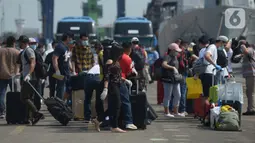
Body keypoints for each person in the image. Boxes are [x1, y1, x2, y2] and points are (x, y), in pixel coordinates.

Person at [71, 33, 100, 123]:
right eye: (84, 39)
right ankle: (85, 115)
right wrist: (73, 71)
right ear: (80, 39)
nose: (85, 41)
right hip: (79, 73)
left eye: (86, 39)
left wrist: (92, 69)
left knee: (89, 96)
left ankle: (94, 115)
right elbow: (73, 60)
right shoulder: (76, 49)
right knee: (82, 94)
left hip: (89, 73)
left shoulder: (89, 49)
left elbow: (93, 61)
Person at [99, 42, 126, 133]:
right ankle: (114, 126)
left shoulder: (116, 61)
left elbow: (116, 75)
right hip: (112, 86)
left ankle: (99, 120)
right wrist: (105, 89)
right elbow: (107, 76)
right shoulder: (110, 61)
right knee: (117, 105)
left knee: (112, 106)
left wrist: (124, 80)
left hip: (117, 84)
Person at [18, 35, 44, 125]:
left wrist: (28, 74)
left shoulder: (28, 50)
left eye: (20, 42)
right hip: (28, 77)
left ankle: (36, 113)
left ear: (23, 42)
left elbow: (33, 63)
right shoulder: (25, 51)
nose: (19, 44)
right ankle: (30, 118)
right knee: (29, 98)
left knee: (24, 97)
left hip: (30, 78)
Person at [161, 43, 184, 117]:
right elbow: (164, 64)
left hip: (175, 79)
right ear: (172, 50)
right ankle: (166, 112)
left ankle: (175, 111)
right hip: (168, 78)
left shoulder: (175, 57)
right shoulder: (167, 56)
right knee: (168, 95)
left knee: (178, 95)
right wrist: (173, 68)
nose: (177, 52)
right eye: (176, 51)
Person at [119, 42, 137, 130]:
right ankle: (128, 122)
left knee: (114, 103)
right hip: (122, 80)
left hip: (112, 81)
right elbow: (129, 72)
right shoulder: (127, 58)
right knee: (126, 101)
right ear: (129, 49)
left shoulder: (118, 56)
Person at [0, 36, 20, 119]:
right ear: (14, 43)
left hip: (2, 75)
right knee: (15, 94)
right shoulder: (17, 52)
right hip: (13, 76)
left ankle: (2, 112)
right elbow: (19, 64)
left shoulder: (1, 51)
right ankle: (15, 110)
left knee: (1, 94)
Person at [235, 40, 255, 115]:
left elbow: (246, 52)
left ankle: (251, 109)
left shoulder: (249, 49)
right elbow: (243, 54)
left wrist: (242, 46)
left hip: (251, 74)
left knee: (250, 92)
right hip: (249, 75)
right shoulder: (247, 51)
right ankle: (250, 108)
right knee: (249, 92)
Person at [52, 32, 73, 99]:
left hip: (67, 73)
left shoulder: (66, 47)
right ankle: (59, 105)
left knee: (68, 90)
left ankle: (63, 104)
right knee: (60, 90)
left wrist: (72, 70)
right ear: (67, 38)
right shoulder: (59, 46)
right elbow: (54, 58)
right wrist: (57, 70)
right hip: (61, 73)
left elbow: (67, 60)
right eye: (71, 38)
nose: (71, 40)